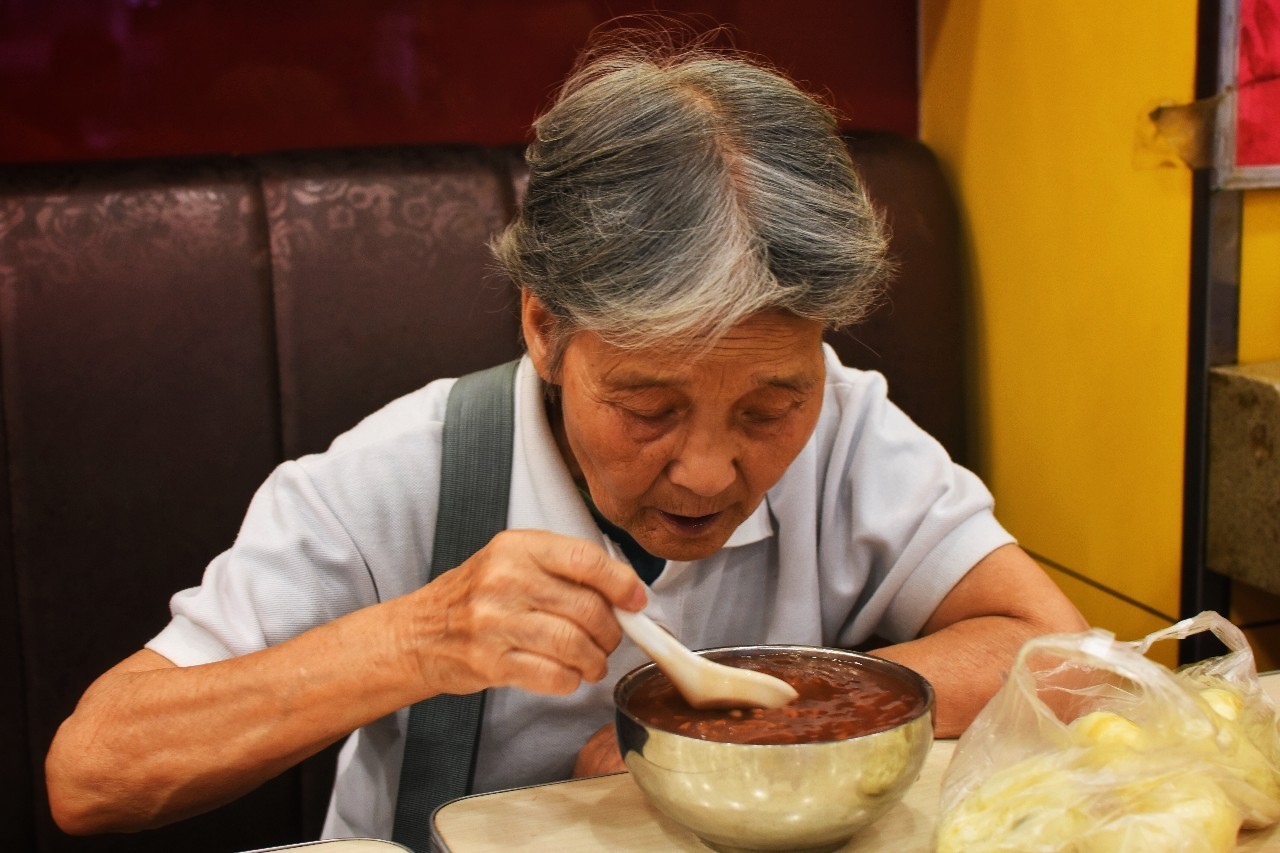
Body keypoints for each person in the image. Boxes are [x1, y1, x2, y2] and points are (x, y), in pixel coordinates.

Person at [45, 36, 1087, 842]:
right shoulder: (395, 477)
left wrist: (720, 737)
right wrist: (416, 640)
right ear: (544, 328)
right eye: (648, 405)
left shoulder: (847, 427)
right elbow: (92, 772)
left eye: (767, 408)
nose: (710, 469)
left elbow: (1051, 656)